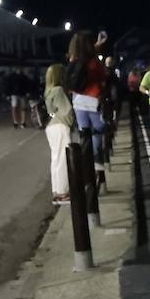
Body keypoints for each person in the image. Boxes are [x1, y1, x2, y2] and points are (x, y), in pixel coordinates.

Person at [66, 30, 110, 189]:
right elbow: (102, 78)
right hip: (93, 100)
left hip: (78, 101)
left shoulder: (73, 59)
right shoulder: (93, 62)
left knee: (84, 133)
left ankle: (87, 166)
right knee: (98, 130)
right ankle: (98, 164)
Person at [43, 63, 75, 205]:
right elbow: (67, 111)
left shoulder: (49, 90)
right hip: (61, 125)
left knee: (56, 159)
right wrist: (72, 122)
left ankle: (57, 191)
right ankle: (63, 193)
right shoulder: (59, 90)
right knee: (62, 159)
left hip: (51, 126)